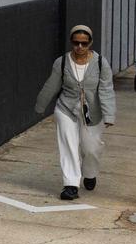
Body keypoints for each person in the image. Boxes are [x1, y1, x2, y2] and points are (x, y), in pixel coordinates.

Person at [33, 25, 116, 201]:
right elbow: (51, 85)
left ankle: (90, 173)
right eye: (76, 43)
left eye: (84, 43)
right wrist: (40, 106)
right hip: (66, 108)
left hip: (92, 112)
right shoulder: (62, 62)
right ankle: (71, 184)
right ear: (71, 42)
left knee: (91, 148)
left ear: (90, 43)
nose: (79, 47)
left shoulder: (101, 63)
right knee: (68, 145)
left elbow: (107, 90)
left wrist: (109, 115)